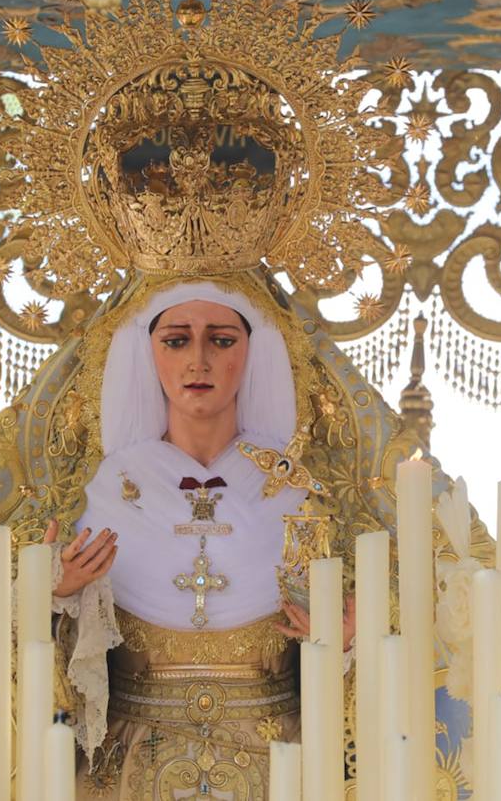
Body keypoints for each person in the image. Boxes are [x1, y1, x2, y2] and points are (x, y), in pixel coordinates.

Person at [42, 280, 354, 797]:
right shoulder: (98, 494)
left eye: (223, 340)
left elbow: (368, 641)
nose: (199, 361)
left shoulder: (301, 494)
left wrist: (346, 638)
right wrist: (58, 595)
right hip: (129, 765)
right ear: (148, 352)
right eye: (177, 340)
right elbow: (41, 668)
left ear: (254, 351)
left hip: (279, 766)